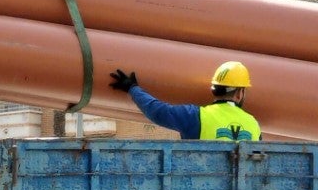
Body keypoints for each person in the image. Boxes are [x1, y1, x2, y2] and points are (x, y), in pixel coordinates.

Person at [109, 61, 261, 142]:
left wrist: (132, 88)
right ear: (240, 93)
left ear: (214, 90)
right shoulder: (253, 125)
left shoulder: (196, 116)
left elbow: (157, 112)